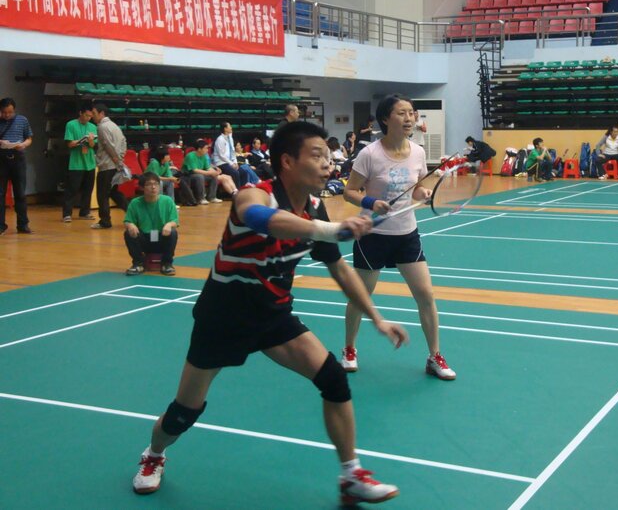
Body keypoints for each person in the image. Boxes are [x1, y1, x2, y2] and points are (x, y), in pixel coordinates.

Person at [131, 121, 407, 506]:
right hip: (222, 319)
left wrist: (376, 317)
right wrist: (328, 230)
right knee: (184, 411)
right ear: (287, 162)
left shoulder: (313, 208)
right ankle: (154, 454)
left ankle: (350, 475)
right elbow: (261, 219)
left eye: (327, 157)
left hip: (273, 315)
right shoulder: (255, 194)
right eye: (316, 156)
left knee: (333, 380)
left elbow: (340, 270)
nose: (327, 164)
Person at [340, 94, 455, 380]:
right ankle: (349, 349)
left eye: (411, 113)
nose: (409, 118)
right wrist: (370, 203)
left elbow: (416, 189)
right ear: (385, 119)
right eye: (402, 113)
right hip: (373, 235)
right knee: (360, 297)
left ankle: (434, 356)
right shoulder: (369, 154)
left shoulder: (418, 152)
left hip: (406, 235)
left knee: (426, 295)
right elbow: (349, 192)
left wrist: (423, 193)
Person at [123, 172, 179, 276]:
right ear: (142, 187)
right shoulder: (135, 203)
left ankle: (167, 264)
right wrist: (130, 225)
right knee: (128, 232)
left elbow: (175, 221)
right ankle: (138, 264)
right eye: (149, 184)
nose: (153, 187)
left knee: (173, 232)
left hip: (161, 238)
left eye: (156, 184)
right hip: (145, 239)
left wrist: (169, 224)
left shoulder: (167, 201)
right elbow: (127, 221)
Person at [91, 102, 129, 229]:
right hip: (115, 165)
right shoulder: (114, 126)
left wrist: (116, 159)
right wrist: (121, 157)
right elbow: (124, 141)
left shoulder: (102, 127)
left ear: (101, 113)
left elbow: (108, 145)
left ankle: (105, 221)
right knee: (114, 192)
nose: (92, 116)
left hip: (107, 166)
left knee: (102, 194)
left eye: (94, 113)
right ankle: (133, 213)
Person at [0, 97, 33, 235]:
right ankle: (1, 225)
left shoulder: (22, 120)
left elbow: (29, 138)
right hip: (2, 158)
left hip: (18, 157)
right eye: (4, 112)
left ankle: (23, 224)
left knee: (20, 192)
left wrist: (23, 144)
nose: (7, 115)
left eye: (10, 112)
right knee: (0, 193)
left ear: (14, 110)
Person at [62, 104, 97, 223]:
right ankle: (67, 213)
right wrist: (81, 140)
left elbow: (93, 145)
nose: (88, 118)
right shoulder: (71, 124)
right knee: (72, 189)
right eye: (86, 115)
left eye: (90, 116)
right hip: (76, 163)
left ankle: (85, 212)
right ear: (80, 113)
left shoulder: (93, 126)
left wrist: (90, 140)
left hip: (90, 162)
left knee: (88, 189)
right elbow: (69, 143)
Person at [180, 139, 234, 205]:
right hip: (187, 175)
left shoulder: (204, 156)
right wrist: (209, 173)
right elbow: (194, 170)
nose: (207, 150)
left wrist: (215, 172)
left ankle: (212, 197)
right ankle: (201, 198)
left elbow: (208, 168)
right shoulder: (190, 156)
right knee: (199, 177)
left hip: (199, 174)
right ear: (199, 149)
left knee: (213, 177)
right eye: (205, 148)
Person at [213, 122, 247, 188]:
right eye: (230, 126)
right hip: (221, 163)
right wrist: (231, 164)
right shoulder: (220, 139)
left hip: (229, 162)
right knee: (235, 173)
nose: (231, 128)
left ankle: (243, 190)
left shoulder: (230, 138)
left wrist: (235, 162)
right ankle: (237, 192)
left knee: (243, 172)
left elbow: (232, 151)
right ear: (225, 129)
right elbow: (221, 155)